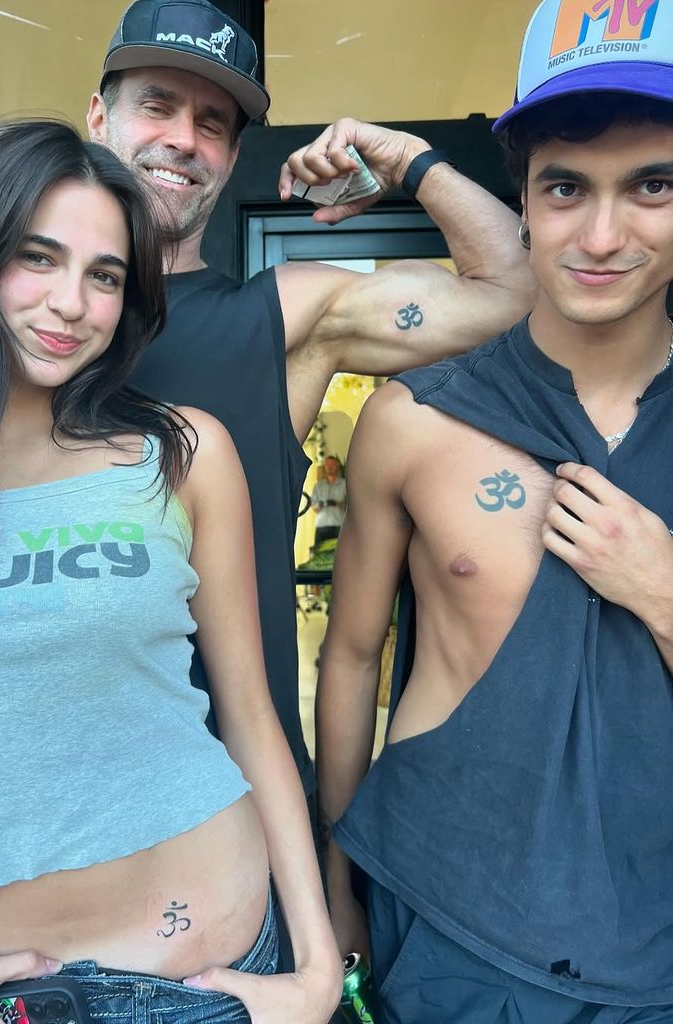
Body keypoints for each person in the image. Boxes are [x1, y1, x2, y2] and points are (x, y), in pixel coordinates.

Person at [0, 119, 342, 1024]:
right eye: (36, 258)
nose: (71, 303)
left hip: (206, 979)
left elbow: (249, 718)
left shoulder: (182, 456)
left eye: (105, 276)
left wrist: (317, 969)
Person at [316, 0, 673, 1019]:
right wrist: (334, 884)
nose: (600, 234)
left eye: (651, 186)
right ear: (522, 195)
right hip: (452, 925)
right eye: (566, 187)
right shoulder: (413, 419)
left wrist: (660, 590)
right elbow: (350, 657)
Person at [86, 0, 537, 794]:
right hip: (44, 801)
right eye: (157, 105)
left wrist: (410, 163)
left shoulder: (286, 316)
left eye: (212, 123)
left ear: (232, 155)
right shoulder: (16, 328)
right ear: (98, 117)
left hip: (237, 795)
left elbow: (518, 295)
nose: (183, 139)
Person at [311, 456, 347, 547]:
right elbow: (314, 507)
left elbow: (351, 506)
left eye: (332, 464)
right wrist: (321, 505)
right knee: (320, 555)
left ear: (337, 465)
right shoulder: (318, 486)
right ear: (324, 467)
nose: (330, 467)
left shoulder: (345, 485)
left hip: (339, 526)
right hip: (321, 526)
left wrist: (338, 504)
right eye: (327, 465)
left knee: (339, 555)